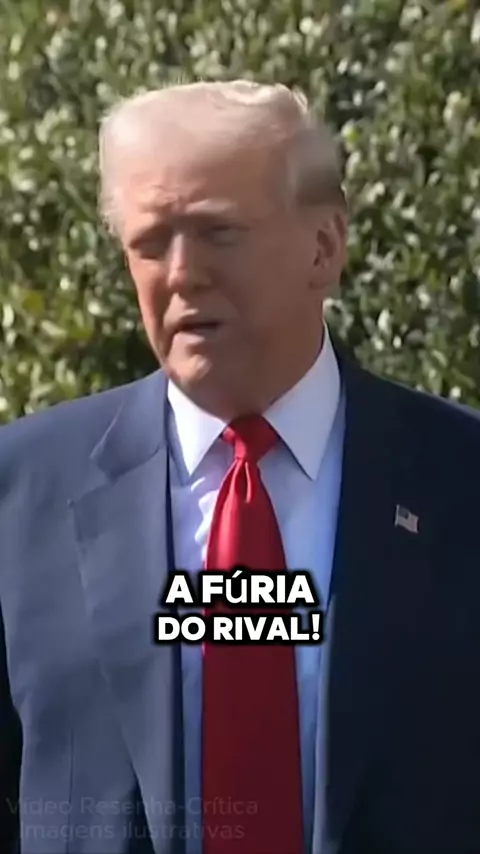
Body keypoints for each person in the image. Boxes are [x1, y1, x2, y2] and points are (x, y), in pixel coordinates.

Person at [1, 79, 479, 854]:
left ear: (324, 247)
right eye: (150, 242)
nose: (181, 273)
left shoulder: (460, 480)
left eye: (218, 232)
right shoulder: (21, 494)